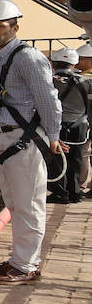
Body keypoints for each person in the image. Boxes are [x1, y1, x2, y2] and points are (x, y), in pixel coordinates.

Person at [0, 0, 65, 284]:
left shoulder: (28, 57)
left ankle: (25, 266)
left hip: (22, 139)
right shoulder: (0, 57)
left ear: (14, 27)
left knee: (28, 204)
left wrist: (53, 135)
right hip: (6, 139)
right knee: (15, 202)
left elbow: (48, 100)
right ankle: (19, 260)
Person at [48, 47, 89, 204]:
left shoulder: (48, 80)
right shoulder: (86, 81)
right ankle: (75, 192)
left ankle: (60, 193)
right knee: (76, 159)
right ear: (74, 64)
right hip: (79, 127)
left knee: (57, 159)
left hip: (54, 126)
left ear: (54, 63)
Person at [78, 42, 92, 195]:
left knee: (84, 153)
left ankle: (80, 185)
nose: (77, 62)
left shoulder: (83, 79)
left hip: (86, 121)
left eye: (81, 59)